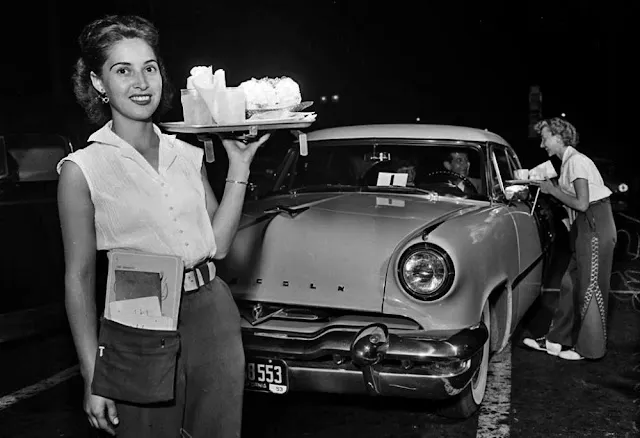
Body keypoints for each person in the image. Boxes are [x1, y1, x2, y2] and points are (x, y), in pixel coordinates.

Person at [57, 15, 269, 437]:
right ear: (99, 83)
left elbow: (220, 245)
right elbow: (78, 278)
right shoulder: (84, 168)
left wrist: (240, 166)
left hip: (213, 309)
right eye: (123, 70)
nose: (141, 82)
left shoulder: (186, 153)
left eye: (149, 67)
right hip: (139, 314)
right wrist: (92, 374)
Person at [522, 117, 615, 360]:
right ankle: (555, 340)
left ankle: (589, 350)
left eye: (544, 138)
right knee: (569, 284)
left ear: (558, 136)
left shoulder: (576, 162)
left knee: (590, 287)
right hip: (585, 228)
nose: (543, 145)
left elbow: (583, 204)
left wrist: (552, 190)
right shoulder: (566, 164)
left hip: (595, 226)